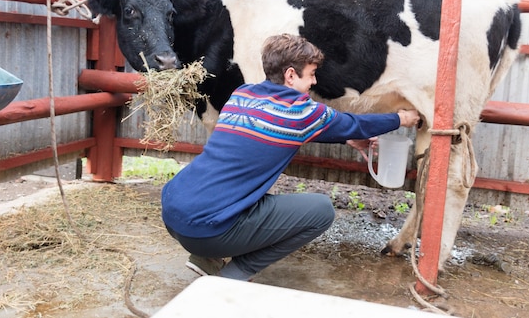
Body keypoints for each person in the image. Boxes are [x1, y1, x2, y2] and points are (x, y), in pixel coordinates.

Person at [161, 33, 420, 281]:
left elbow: (286, 128)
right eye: (311, 74)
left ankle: (204, 259)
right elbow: (356, 124)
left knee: (237, 185)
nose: (314, 82)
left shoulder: (242, 95)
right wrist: (401, 118)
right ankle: (238, 272)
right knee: (321, 211)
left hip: (174, 212)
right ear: (291, 75)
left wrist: (344, 137)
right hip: (208, 230)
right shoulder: (302, 111)